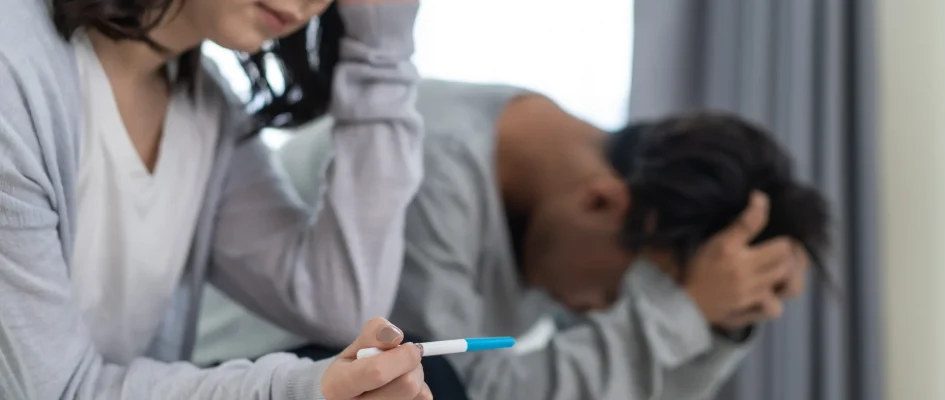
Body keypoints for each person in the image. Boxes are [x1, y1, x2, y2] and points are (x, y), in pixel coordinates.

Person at [196, 79, 829, 399]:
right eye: (622, 292)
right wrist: (679, 314)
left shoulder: (564, 212)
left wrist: (720, 325)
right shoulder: (424, 163)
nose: (606, 311)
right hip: (234, 379)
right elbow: (472, 390)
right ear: (604, 202)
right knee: (426, 377)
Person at [0, 0, 434, 398]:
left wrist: (382, 50)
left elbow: (339, 299)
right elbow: (55, 390)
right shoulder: (14, 68)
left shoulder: (206, 109)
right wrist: (301, 390)